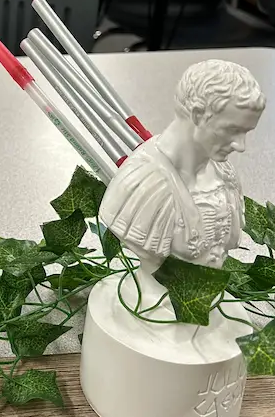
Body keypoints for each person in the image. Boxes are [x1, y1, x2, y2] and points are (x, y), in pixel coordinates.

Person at [100, 60, 266, 308]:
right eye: (231, 130)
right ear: (198, 115)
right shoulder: (143, 182)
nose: (241, 146)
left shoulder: (225, 174)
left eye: (246, 132)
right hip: (153, 302)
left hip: (204, 303)